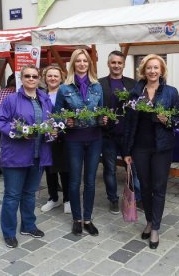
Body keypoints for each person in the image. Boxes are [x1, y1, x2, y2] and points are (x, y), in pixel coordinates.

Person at [123, 54, 179, 249]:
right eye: (149, 68)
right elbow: (129, 123)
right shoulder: (135, 92)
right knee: (145, 187)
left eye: (156, 68)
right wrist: (127, 150)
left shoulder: (171, 92)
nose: (153, 71)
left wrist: (168, 121)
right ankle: (149, 220)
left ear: (162, 70)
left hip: (162, 147)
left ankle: (155, 227)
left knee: (159, 187)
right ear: (143, 70)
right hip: (140, 147)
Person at [0, 64, 53, 248]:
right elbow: (0, 122)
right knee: (12, 196)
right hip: (15, 156)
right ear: (21, 79)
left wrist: (53, 130)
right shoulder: (11, 100)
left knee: (29, 194)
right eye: (27, 76)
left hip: (38, 155)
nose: (31, 79)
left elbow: (51, 121)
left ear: (39, 79)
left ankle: (28, 225)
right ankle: (9, 232)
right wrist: (17, 132)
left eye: (34, 76)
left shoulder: (44, 99)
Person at [54, 49, 106, 236]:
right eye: (79, 61)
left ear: (89, 64)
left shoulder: (97, 87)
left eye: (85, 61)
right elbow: (57, 113)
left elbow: (101, 111)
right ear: (73, 64)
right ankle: (76, 218)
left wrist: (104, 119)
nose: (82, 64)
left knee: (90, 181)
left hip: (94, 139)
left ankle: (88, 219)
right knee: (75, 181)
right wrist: (64, 120)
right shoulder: (64, 89)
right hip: (73, 140)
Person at [99, 50, 142, 214]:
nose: (116, 65)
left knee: (133, 169)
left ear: (124, 65)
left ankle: (137, 198)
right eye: (113, 62)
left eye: (119, 63)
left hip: (128, 135)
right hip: (108, 135)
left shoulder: (133, 84)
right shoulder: (99, 83)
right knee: (109, 169)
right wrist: (100, 117)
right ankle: (113, 199)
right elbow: (96, 106)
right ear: (108, 64)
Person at [40, 66, 70, 214]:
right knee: (49, 169)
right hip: (46, 138)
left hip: (64, 137)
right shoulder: (40, 95)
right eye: (49, 76)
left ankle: (68, 199)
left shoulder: (66, 93)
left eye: (55, 76)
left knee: (65, 169)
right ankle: (53, 198)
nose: (52, 78)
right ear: (45, 78)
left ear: (61, 78)